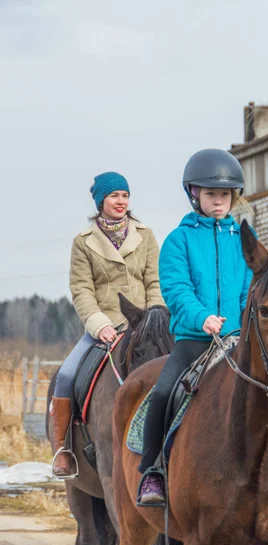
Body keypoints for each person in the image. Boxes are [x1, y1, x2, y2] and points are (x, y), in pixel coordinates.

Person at [137, 148, 253, 504]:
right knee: (163, 392)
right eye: (211, 194)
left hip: (239, 339)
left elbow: (253, 286)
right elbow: (175, 290)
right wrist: (202, 317)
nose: (219, 202)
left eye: (225, 195)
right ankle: (152, 472)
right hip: (195, 339)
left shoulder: (245, 240)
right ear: (194, 195)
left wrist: (243, 321)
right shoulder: (178, 241)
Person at [51, 171, 164, 478]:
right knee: (66, 374)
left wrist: (155, 316)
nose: (121, 201)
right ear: (101, 200)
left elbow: (154, 281)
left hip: (145, 324)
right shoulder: (83, 242)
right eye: (114, 196)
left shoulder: (146, 235)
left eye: (125, 196)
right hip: (105, 327)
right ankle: (64, 450)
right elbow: (82, 291)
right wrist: (99, 324)